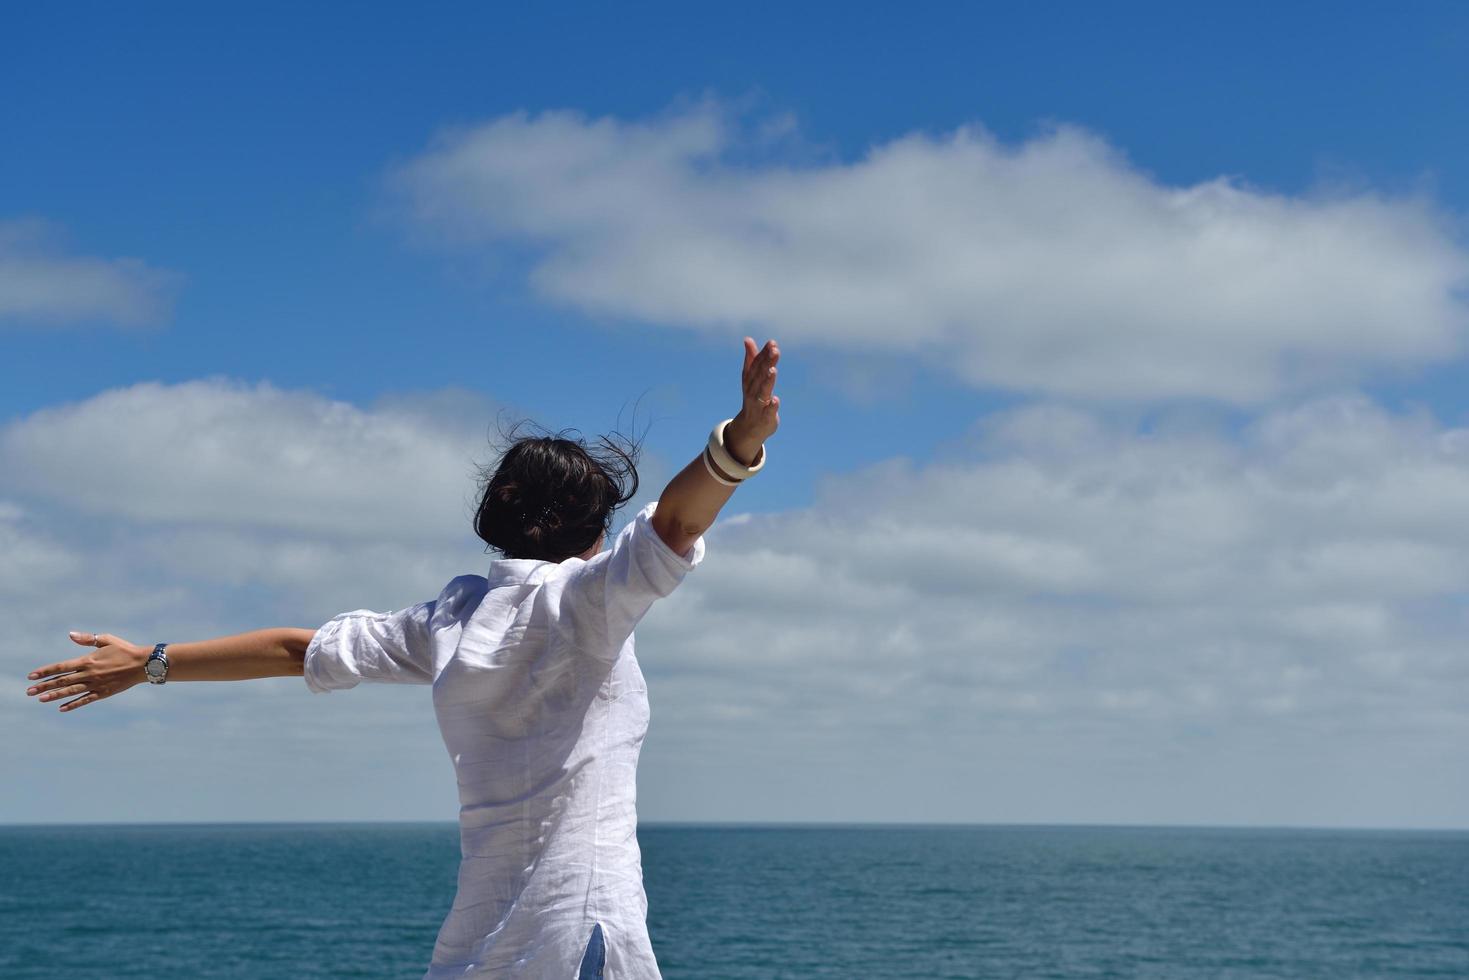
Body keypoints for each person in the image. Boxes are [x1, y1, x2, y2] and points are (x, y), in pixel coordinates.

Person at [24, 337, 783, 980]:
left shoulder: (449, 621)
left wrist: (150, 661)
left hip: (477, 951)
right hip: (581, 937)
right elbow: (678, 522)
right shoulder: (588, 601)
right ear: (585, 532)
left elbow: (297, 650)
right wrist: (739, 441)